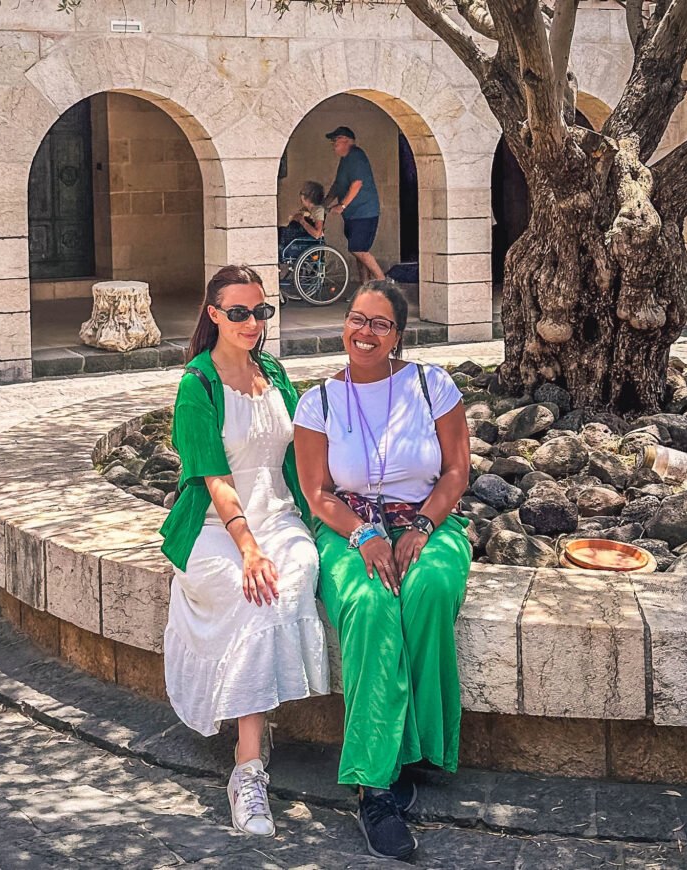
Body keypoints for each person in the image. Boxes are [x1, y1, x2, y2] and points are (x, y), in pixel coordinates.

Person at [292, 280, 471, 860]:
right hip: (349, 528)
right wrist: (364, 534)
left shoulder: (430, 385)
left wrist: (419, 527)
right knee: (370, 606)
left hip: (427, 521)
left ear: (398, 335)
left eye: (380, 324)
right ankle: (374, 785)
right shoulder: (317, 400)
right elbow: (317, 492)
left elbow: (456, 472)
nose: (364, 332)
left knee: (430, 588)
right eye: (356, 319)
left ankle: (412, 750)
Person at [160, 265, 330, 839]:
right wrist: (249, 549)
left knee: (289, 583)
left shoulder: (276, 374)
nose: (252, 323)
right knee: (251, 595)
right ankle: (247, 769)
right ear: (213, 315)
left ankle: (251, 745)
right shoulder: (197, 386)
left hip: (279, 518)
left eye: (261, 312)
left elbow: (303, 456)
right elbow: (214, 479)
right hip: (215, 527)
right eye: (239, 313)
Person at [324, 126, 385, 283]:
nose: (333, 144)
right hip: (353, 214)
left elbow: (357, 183)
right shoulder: (345, 160)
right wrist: (324, 203)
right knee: (359, 251)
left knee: (358, 249)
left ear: (346, 140)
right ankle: (364, 286)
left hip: (364, 212)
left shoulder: (356, 156)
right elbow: (338, 185)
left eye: (336, 140)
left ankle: (383, 282)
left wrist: (342, 205)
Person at [281, 180, 327, 247]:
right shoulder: (307, 209)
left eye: (302, 193)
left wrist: (302, 221)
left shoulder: (318, 210)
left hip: (307, 242)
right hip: (301, 237)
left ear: (308, 197)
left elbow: (317, 234)